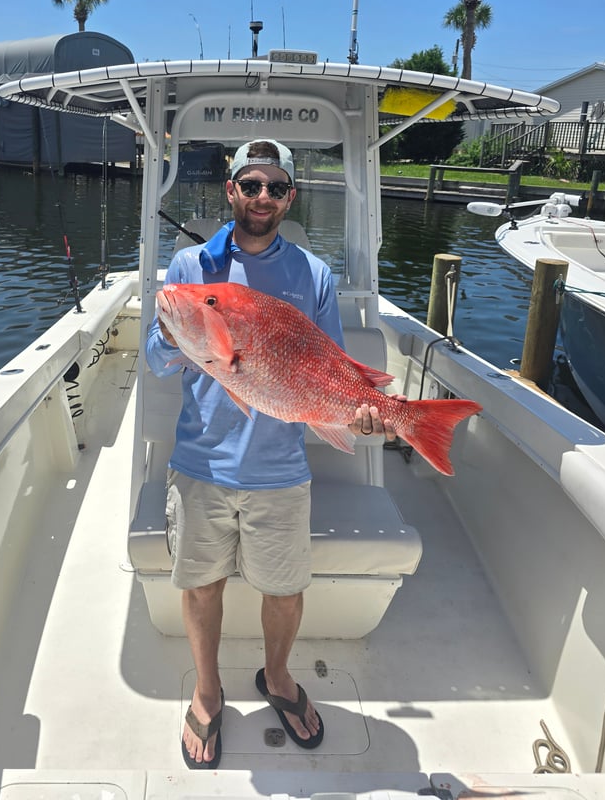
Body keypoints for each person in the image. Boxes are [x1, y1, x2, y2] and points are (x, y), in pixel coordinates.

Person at [145, 139, 397, 769]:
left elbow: (331, 367)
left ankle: (278, 679)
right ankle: (207, 692)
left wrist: (365, 411)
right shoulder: (188, 267)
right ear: (230, 191)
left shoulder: (313, 275)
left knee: (284, 592)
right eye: (250, 184)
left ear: (290, 196)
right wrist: (182, 328)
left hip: (281, 471)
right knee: (201, 587)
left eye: (276, 187)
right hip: (200, 465)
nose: (262, 197)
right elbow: (154, 358)